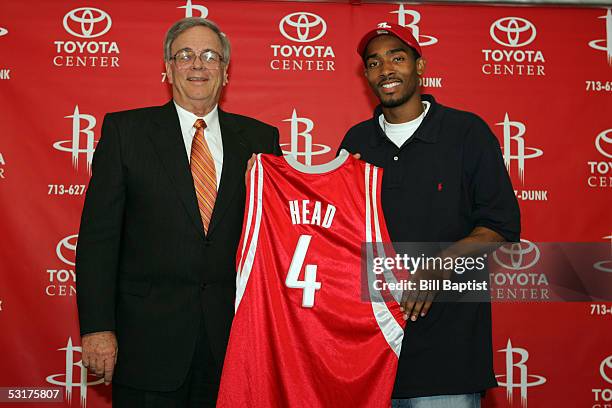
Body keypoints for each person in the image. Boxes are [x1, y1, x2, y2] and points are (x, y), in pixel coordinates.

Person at [75, 17, 281, 407]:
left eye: (209, 56)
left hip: (234, 344)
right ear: (168, 68)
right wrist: (98, 329)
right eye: (185, 55)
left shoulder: (260, 139)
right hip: (146, 347)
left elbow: (283, 232)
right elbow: (98, 241)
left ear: (225, 71)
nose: (198, 65)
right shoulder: (126, 132)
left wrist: (341, 180)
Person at [339, 23, 520, 407]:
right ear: (366, 75)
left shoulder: (466, 132)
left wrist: (437, 266)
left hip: (447, 357)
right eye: (374, 62)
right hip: (367, 358)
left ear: (420, 67)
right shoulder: (355, 142)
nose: (385, 68)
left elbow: (499, 226)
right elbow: (340, 237)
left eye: (397, 57)